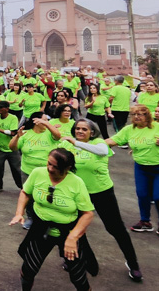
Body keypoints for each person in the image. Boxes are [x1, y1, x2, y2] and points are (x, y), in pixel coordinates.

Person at [60, 119, 142, 282]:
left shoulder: (99, 143)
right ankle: (80, 259)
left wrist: (76, 142)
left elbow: (102, 151)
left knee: (116, 229)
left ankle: (133, 264)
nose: (80, 131)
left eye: (84, 129)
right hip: (78, 195)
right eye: (77, 129)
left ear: (92, 132)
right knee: (74, 229)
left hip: (102, 192)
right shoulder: (68, 145)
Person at [10, 148, 96, 291]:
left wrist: (73, 237)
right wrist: (19, 213)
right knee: (28, 269)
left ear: (68, 168)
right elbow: (25, 192)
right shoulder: (38, 173)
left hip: (68, 232)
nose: (50, 168)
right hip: (40, 229)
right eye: (49, 163)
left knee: (78, 277)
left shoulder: (76, 183)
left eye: (55, 167)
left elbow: (88, 214)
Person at [105, 105, 159, 237]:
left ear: (147, 116)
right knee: (142, 194)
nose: (136, 117)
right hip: (141, 167)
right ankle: (145, 222)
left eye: (140, 114)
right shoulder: (129, 130)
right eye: (134, 114)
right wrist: (90, 144)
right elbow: (112, 141)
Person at [10, 112, 62, 229]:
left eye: (47, 120)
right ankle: (31, 217)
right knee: (29, 195)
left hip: (48, 173)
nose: (46, 122)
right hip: (28, 171)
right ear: (35, 121)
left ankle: (49, 219)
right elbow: (12, 147)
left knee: (48, 195)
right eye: (43, 120)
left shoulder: (50, 133)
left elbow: (58, 136)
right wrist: (17, 136)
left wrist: (47, 124)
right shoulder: (26, 134)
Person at [0, 101, 23, 193]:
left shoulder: (13, 118)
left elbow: (13, 133)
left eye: (1, 107)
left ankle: (22, 187)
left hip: (12, 148)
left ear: (7, 109)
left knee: (16, 169)